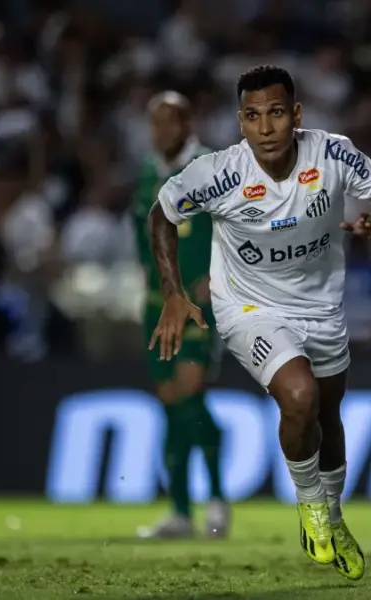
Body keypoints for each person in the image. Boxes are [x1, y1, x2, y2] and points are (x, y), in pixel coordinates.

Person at [147, 65, 371, 580]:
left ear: (296, 115)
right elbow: (162, 212)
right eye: (251, 116)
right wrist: (174, 293)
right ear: (240, 123)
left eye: (274, 113)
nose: (265, 127)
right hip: (249, 308)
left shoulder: (331, 152)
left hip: (322, 308)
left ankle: (333, 519)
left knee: (328, 416)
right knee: (300, 396)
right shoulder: (220, 173)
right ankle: (310, 507)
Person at [131, 91, 230, 539]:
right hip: (156, 303)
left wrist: (221, 274)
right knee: (172, 400)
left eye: (169, 122)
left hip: (198, 304)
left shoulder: (211, 168)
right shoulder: (149, 172)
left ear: (187, 124)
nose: (161, 132)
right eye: (155, 124)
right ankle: (180, 511)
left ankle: (214, 498)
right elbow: (142, 236)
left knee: (189, 391)